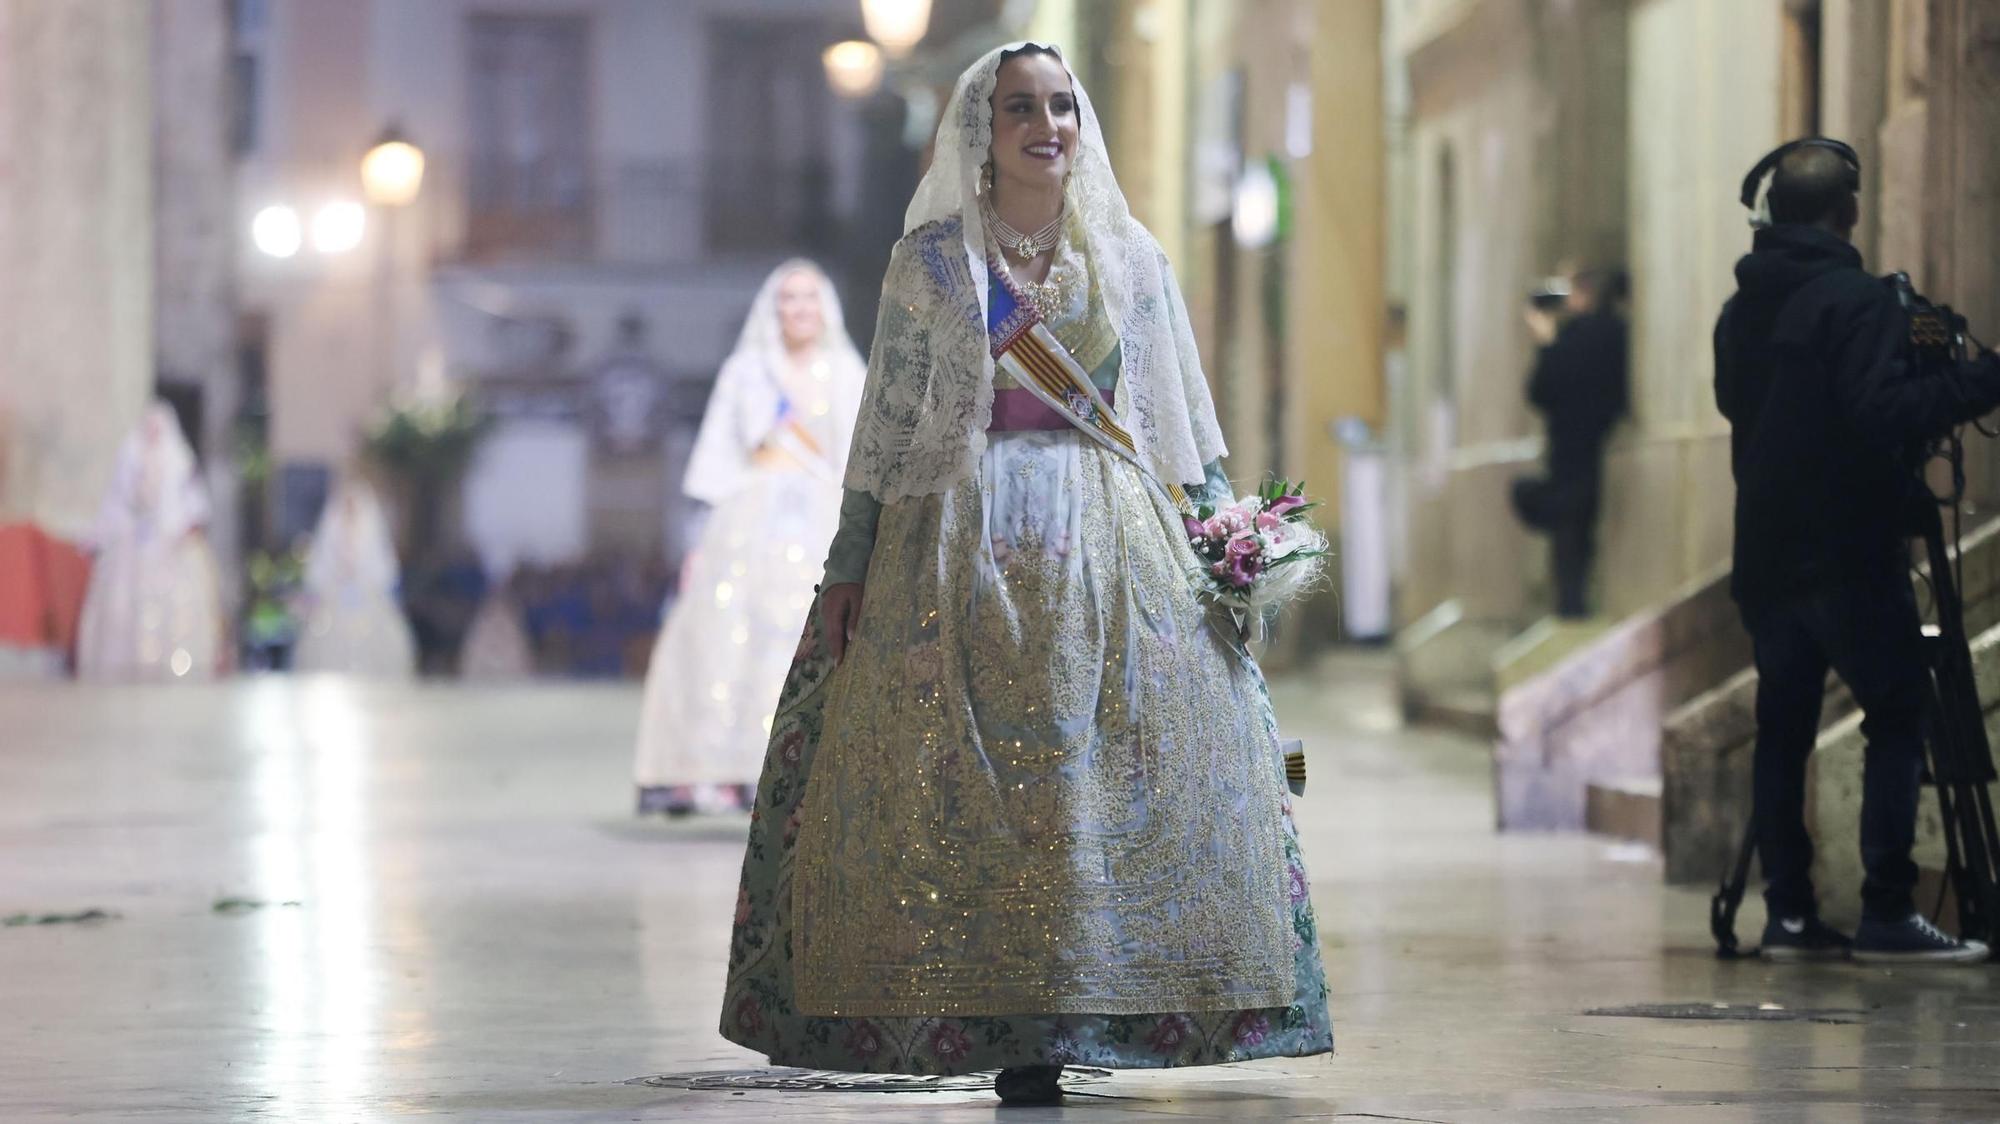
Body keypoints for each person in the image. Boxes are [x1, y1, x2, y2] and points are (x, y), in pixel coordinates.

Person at [717, 44, 1331, 1103]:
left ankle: (1089, 999)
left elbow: (1179, 417)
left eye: (1061, 106)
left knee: (1097, 783)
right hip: (954, 544)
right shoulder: (930, 266)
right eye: (1020, 109)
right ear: (981, 134)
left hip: (1108, 546)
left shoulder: (1129, 259)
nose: (1044, 124)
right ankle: (997, 1013)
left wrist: (1227, 537)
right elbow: (888, 426)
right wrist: (849, 565)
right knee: (972, 788)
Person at [1715, 138, 2000, 963]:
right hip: (1848, 549)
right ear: (1848, 211)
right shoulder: (1857, 302)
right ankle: (1886, 908)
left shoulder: (1741, 311)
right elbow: (1884, 413)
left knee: (1784, 731)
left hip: (1767, 552)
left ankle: (1791, 915)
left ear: (1772, 211)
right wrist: (1979, 382)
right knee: (1899, 712)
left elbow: (1744, 409)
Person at [633, 261, 865, 816]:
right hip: (748, 519)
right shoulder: (747, 371)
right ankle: (716, 771)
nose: (799, 309)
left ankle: (802, 765)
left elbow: (858, 457)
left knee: (798, 633)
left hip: (818, 517)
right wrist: (697, 542)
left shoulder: (845, 370)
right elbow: (718, 457)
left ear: (825, 306)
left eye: (810, 297)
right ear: (772, 307)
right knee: (723, 633)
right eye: (788, 298)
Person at [75, 400, 225, 681]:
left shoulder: (179, 460)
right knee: (122, 611)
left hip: (171, 551)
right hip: (131, 552)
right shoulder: (129, 457)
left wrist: (180, 531)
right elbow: (115, 504)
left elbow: (193, 506)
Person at [1511, 266, 1628, 619]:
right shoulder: (1603, 332)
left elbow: (1542, 390)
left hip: (1579, 454)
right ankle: (1571, 610)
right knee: (1572, 541)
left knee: (1571, 539)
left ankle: (1573, 613)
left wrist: (1547, 343)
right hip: (1581, 454)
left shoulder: (1589, 336)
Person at [293, 476, 417, 678]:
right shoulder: (332, 527)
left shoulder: (369, 530)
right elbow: (320, 569)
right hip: (334, 601)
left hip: (367, 600)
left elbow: (382, 570)